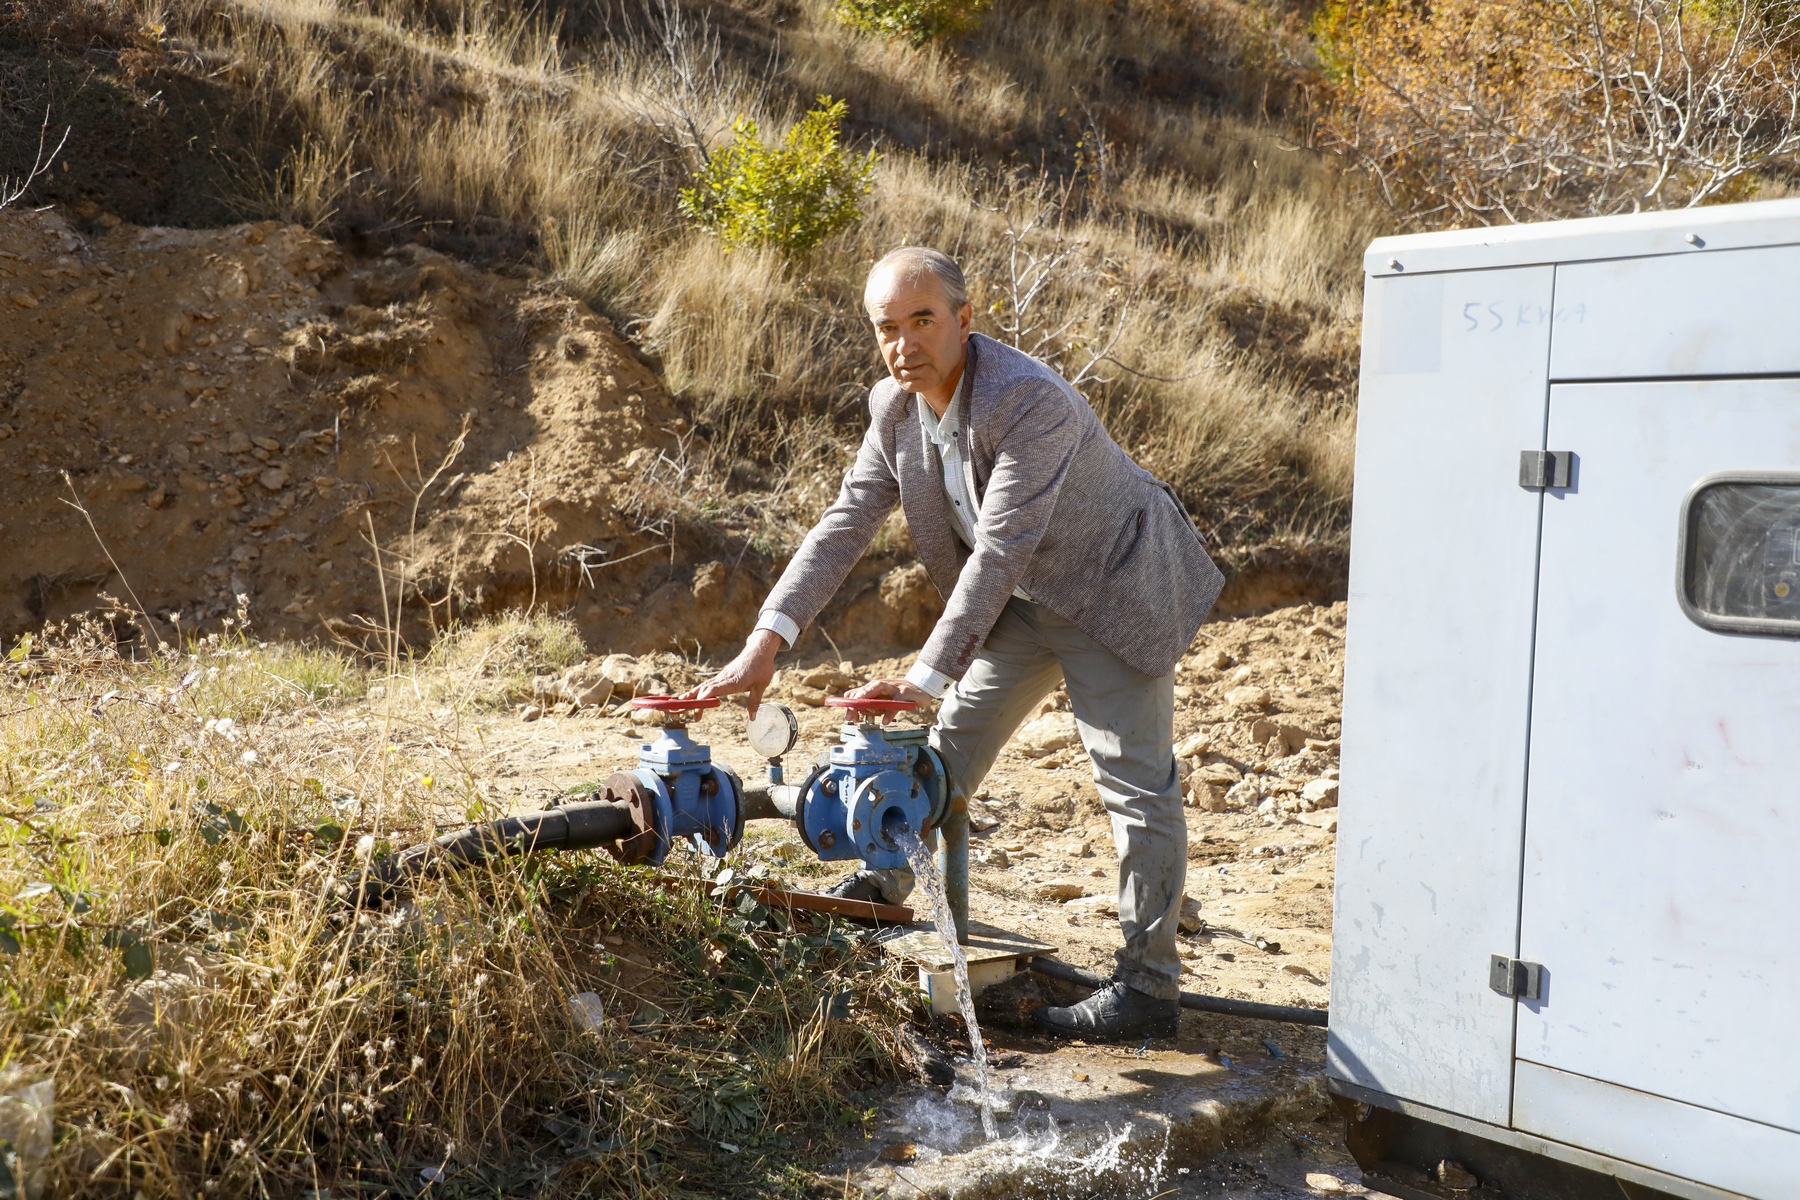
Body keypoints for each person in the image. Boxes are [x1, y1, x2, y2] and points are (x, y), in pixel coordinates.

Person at [687, 247, 1223, 1041]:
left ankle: (1148, 991)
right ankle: (890, 882)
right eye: (887, 329)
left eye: (923, 321)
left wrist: (927, 673)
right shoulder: (893, 409)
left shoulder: (1027, 400)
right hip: (1022, 603)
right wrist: (768, 640)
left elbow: (1001, 547)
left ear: (965, 320)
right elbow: (845, 524)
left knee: (1134, 784)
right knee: (944, 753)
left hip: (1114, 589)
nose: (905, 344)